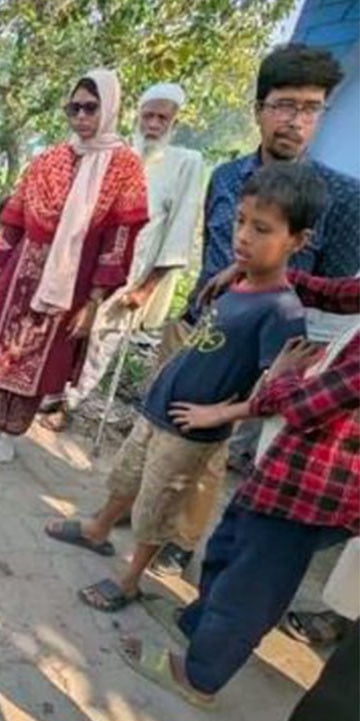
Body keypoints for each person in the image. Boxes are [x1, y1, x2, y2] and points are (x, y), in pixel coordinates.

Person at [46, 162, 317, 612]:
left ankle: (131, 580)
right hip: (160, 408)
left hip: (193, 430)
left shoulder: (283, 312)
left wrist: (218, 416)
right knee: (127, 475)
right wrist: (235, 269)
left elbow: (277, 397)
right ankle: (98, 530)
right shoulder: (239, 281)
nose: (243, 237)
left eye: (262, 229)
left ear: (297, 241)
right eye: (241, 222)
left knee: (156, 507)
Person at [117, 267, 357, 708]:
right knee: (229, 548)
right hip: (287, 464)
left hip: (313, 487)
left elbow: (305, 407)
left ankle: (198, 677)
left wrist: (282, 374)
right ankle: (197, 625)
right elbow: (340, 292)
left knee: (251, 586)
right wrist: (264, 268)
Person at [168, 44, 357, 472]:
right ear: (258, 109)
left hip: (259, 364)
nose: (295, 121)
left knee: (209, 467)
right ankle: (140, 524)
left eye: (311, 109)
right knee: (162, 443)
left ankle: (171, 538)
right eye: (284, 105)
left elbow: (329, 305)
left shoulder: (341, 198)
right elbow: (210, 259)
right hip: (199, 332)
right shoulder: (227, 177)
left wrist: (273, 385)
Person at [0, 70, 148, 463]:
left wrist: (95, 300)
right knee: (2, 348)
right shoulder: (48, 159)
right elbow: (12, 223)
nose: (81, 116)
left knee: (41, 359)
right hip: (22, 273)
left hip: (72, 283)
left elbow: (118, 240)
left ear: (110, 109)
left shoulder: (125, 167)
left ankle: (13, 433)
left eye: (90, 108)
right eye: (74, 108)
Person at [45, 84, 204, 434]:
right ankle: (51, 390)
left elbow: (179, 230)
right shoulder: (116, 153)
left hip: (136, 270)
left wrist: (148, 288)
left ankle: (68, 403)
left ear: (174, 121)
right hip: (94, 261)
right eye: (148, 115)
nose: (154, 124)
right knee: (72, 327)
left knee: (104, 338)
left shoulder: (185, 163)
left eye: (163, 117)